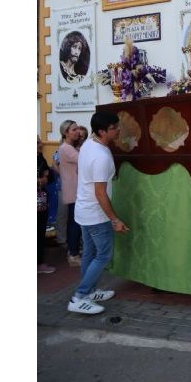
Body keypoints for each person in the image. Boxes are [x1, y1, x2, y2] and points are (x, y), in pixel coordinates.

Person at [67, 111, 130, 315]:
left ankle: (90, 291)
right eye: (114, 128)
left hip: (84, 210)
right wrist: (114, 220)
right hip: (95, 214)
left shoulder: (89, 144)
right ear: (102, 131)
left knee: (91, 254)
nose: (118, 130)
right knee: (103, 255)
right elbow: (100, 193)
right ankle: (79, 296)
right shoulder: (100, 156)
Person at [58, 119, 83, 266]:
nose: (78, 132)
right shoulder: (66, 148)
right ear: (66, 132)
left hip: (74, 189)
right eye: (74, 129)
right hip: (73, 190)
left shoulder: (70, 147)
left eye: (78, 129)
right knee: (75, 223)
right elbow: (83, 160)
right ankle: (73, 254)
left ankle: (73, 251)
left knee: (74, 222)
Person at [37, 135, 56, 274]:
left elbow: (50, 176)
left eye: (39, 140)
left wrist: (44, 178)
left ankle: (39, 261)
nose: (40, 143)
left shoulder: (40, 157)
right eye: (36, 142)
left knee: (40, 230)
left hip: (41, 201)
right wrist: (40, 180)